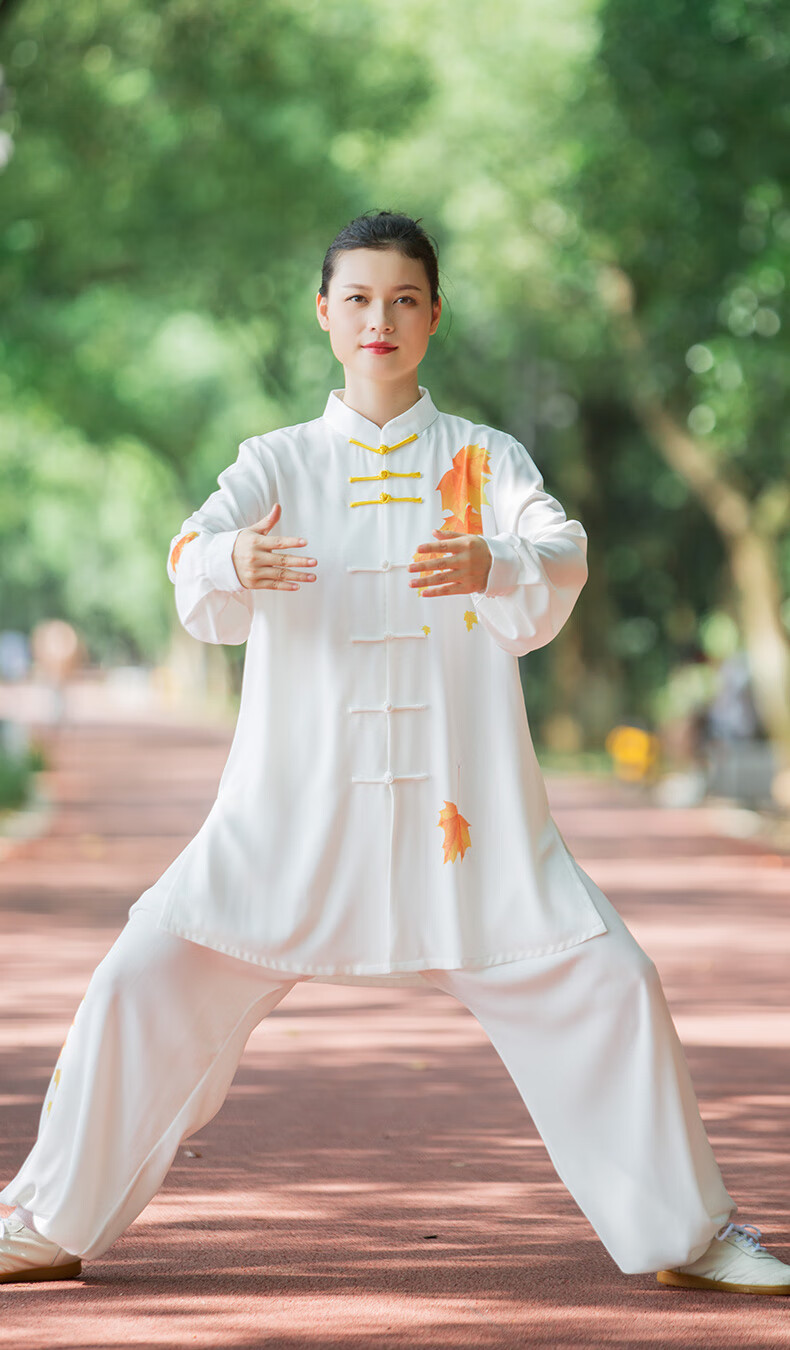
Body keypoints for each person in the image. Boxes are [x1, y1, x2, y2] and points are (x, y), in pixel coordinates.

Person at [1, 211, 788, 1296]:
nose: (380, 319)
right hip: (288, 827)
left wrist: (492, 557)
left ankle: (688, 1238)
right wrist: (236, 553)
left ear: (432, 318)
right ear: (324, 314)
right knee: (140, 979)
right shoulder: (273, 462)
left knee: (613, 984)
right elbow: (190, 561)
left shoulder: (483, 459)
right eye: (358, 298)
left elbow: (559, 549)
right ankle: (43, 1221)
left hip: (464, 834)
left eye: (404, 299)